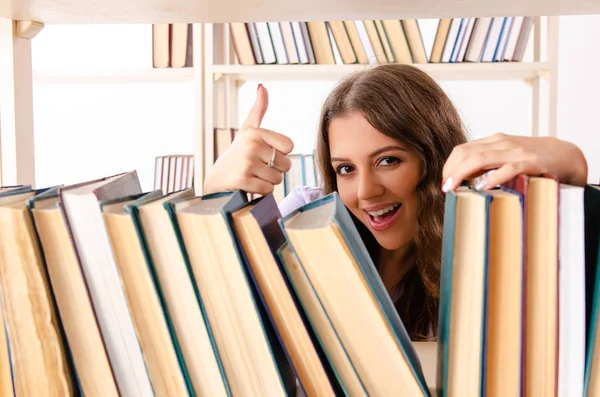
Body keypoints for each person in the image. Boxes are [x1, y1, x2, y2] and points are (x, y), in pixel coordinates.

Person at [203, 64, 588, 341]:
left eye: (388, 160)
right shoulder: (306, 222)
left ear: (433, 157)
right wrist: (215, 197)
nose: (366, 192)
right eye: (346, 168)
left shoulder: (482, 234)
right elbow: (217, 307)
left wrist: (571, 162)